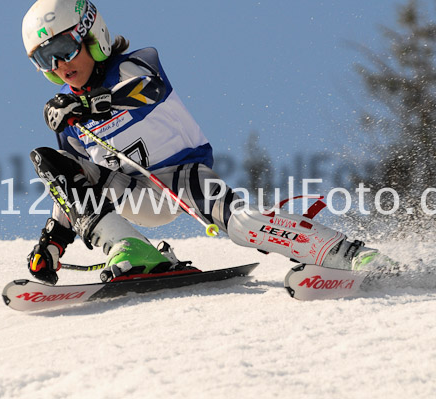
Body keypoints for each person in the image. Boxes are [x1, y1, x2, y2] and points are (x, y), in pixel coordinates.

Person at [21, 0, 379, 285]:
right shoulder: (70, 120)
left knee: (242, 224)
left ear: (91, 34)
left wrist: (89, 104)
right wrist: (53, 240)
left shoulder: (133, 66)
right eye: (43, 59)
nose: (58, 65)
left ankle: (344, 252)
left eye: (64, 49)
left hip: (181, 177)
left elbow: (149, 90)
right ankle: (131, 249)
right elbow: (70, 188)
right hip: (130, 193)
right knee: (49, 160)